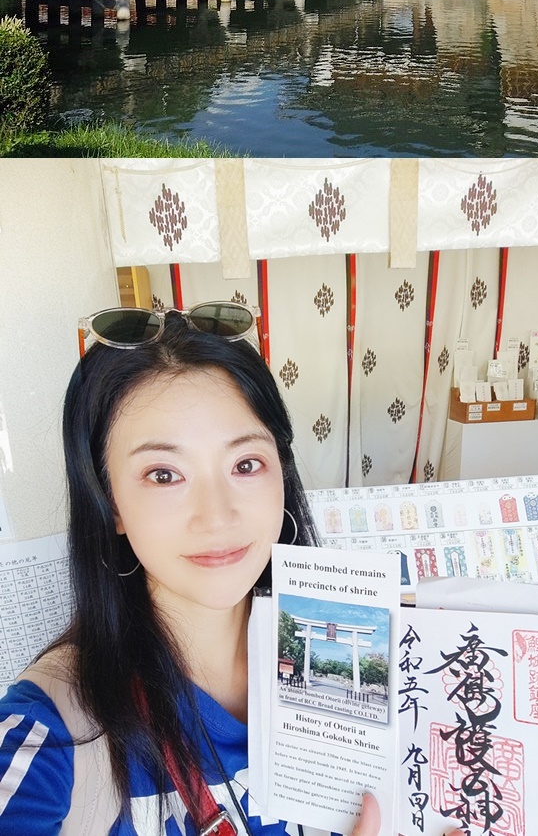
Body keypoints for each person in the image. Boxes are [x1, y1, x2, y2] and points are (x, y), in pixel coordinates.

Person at [0, 304, 399, 835]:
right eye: (164, 474)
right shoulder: (50, 730)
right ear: (110, 503)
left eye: (245, 464)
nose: (218, 516)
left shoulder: (377, 663)